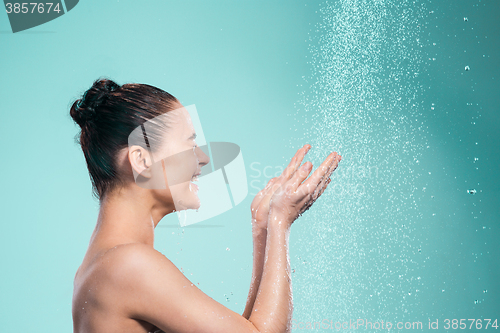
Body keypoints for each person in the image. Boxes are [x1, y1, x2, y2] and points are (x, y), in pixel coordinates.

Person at [70, 77, 342, 333]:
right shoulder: (127, 265)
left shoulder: (103, 264)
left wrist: (263, 229)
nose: (202, 158)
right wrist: (281, 221)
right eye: (190, 144)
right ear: (142, 161)